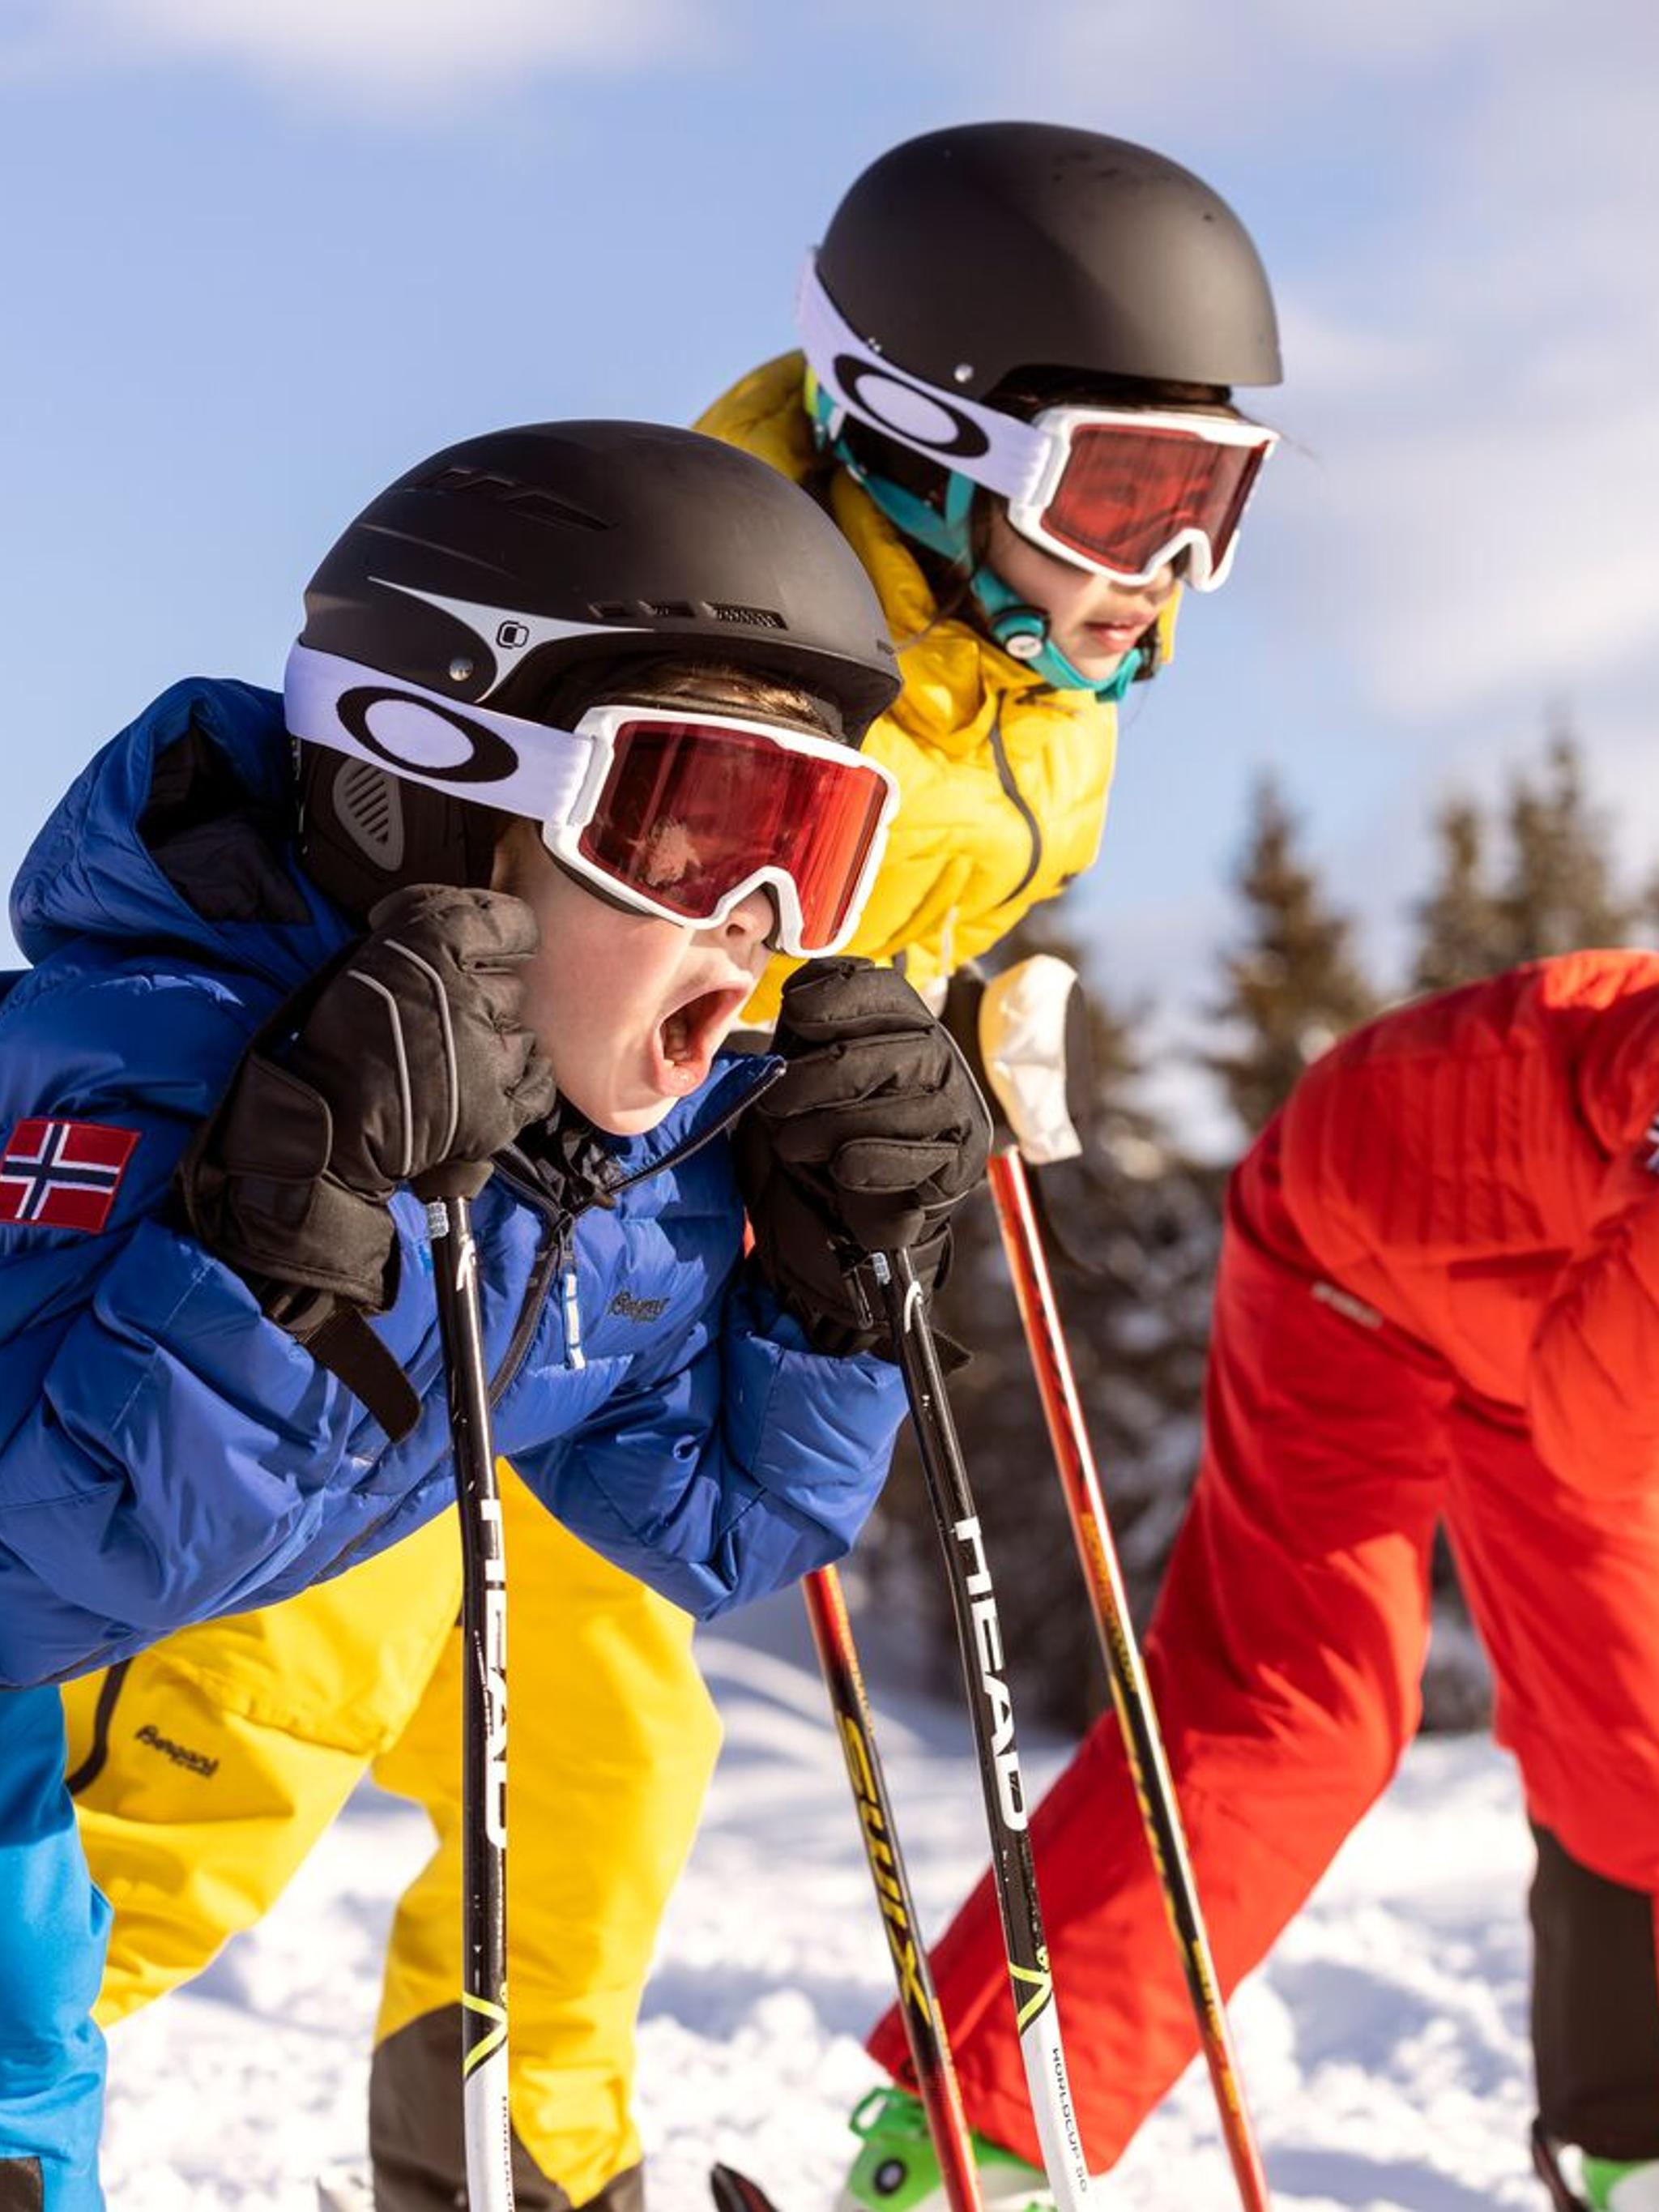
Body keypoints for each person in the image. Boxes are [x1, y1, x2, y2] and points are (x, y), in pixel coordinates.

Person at [62, 122, 1284, 2210]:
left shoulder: (1048, 714)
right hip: (433, 1246)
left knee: (619, 1755)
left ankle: (526, 2161)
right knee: (246, 1728)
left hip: (634, 1307)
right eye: (1122, 499)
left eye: (1213, 510)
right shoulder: (716, 616)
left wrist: (939, 1067)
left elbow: (895, 943)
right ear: (924, 427)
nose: (1157, 580)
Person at [0, 416, 991, 2212]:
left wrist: (835, 1297)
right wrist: (285, 1240)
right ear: (431, 795)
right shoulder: (126, 1075)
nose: (759, 926)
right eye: (690, 832)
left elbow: (713, 1530)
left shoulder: (595, 1159)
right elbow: (52, 1563)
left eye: (811, 847)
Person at [851, 948, 1659, 2212]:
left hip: (1558, 1307)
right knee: (1301, 1709)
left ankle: (1630, 2143)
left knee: (1638, 1734)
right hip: (1362, 1242)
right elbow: (1598, 1420)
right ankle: (966, 2145)